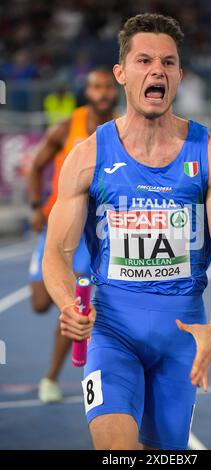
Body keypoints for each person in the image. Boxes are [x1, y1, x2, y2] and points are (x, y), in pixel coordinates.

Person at [42, 13, 211, 450]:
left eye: (169, 63)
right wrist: (67, 305)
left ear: (179, 75)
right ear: (121, 73)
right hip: (111, 328)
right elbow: (57, 251)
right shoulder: (89, 156)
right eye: (144, 60)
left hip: (182, 333)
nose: (157, 71)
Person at [27, 68, 119, 403]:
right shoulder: (67, 128)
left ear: (117, 87)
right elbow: (36, 166)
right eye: (97, 86)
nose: (104, 92)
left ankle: (50, 379)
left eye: (108, 86)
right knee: (39, 303)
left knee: (74, 305)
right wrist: (37, 205)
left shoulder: (124, 130)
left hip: (93, 232)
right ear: (88, 91)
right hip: (58, 225)